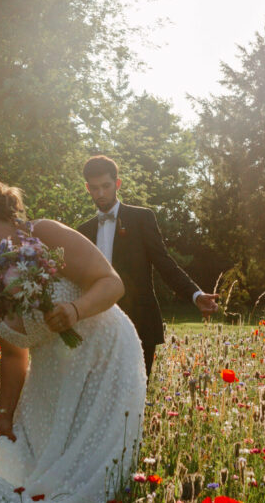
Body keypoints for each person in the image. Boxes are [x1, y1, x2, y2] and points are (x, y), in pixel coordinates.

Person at [0, 171, 146, 503]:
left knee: (85, 474)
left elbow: (111, 282)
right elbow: (12, 354)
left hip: (104, 356)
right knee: (27, 458)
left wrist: (74, 309)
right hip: (53, 371)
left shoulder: (45, 234)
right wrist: (5, 417)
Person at [77, 155, 219, 378]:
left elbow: (164, 262)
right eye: (95, 188)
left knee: (136, 392)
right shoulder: (82, 231)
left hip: (139, 321)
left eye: (106, 186)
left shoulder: (141, 218)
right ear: (87, 188)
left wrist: (195, 295)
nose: (101, 193)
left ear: (117, 183)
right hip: (96, 324)